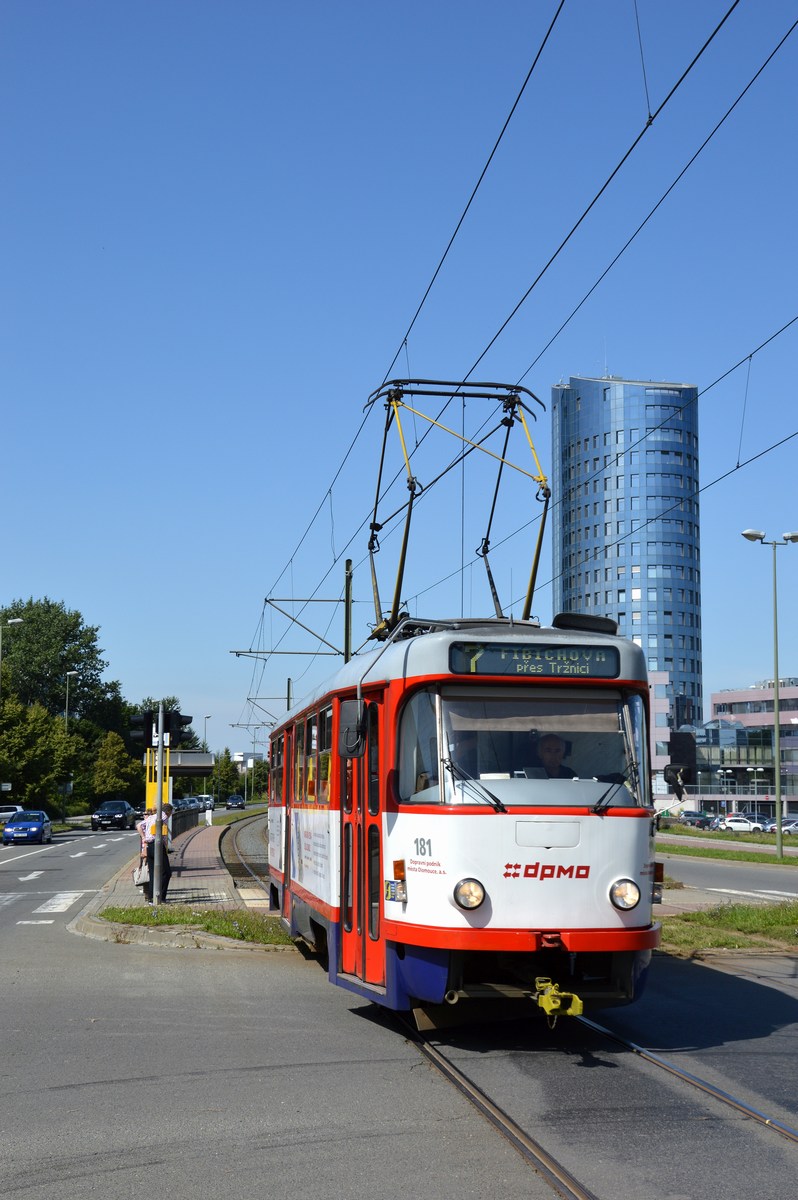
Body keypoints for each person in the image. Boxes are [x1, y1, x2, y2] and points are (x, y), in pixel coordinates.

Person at [140, 805, 172, 903]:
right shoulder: (163, 816)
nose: (170, 815)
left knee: (153, 874)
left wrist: (144, 838)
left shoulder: (151, 816)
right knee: (166, 873)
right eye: (171, 813)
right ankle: (161, 897)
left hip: (149, 846)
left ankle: (151, 898)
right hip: (157, 845)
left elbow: (139, 826)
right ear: (168, 811)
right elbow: (162, 830)